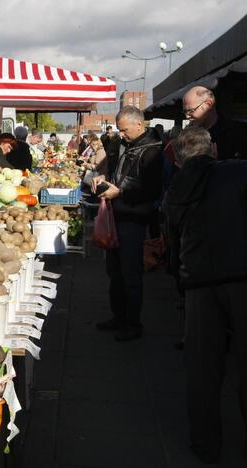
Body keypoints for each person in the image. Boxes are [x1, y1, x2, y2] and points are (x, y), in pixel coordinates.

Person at [163, 126, 247, 464]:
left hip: (198, 283)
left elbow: (171, 238)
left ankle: (205, 443)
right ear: (212, 148)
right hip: (242, 279)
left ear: (179, 159)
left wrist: (179, 277)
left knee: (202, 369)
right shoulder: (239, 172)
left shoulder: (176, 188)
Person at [92, 106, 163, 341]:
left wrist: (120, 193)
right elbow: (113, 171)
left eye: (124, 130)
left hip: (133, 219)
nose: (120, 134)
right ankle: (118, 317)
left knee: (130, 274)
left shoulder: (152, 151)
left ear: (139, 125)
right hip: (116, 215)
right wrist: (102, 178)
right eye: (119, 130)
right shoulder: (121, 144)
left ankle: (133, 324)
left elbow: (152, 191)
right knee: (114, 272)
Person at [182, 85, 244, 160]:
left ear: (208, 104)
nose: (187, 116)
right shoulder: (187, 137)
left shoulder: (238, 133)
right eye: (185, 112)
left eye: (191, 111)